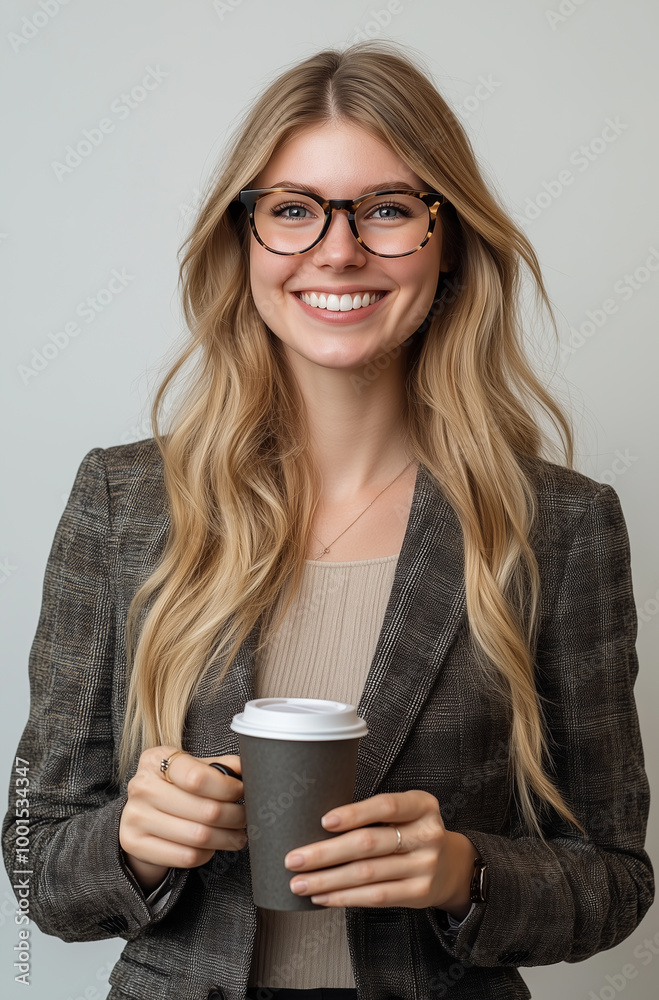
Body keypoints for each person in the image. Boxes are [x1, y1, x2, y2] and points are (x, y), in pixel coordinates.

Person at [2, 41, 654, 1000]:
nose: (337, 249)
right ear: (244, 240)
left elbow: (614, 876)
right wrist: (131, 845)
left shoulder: (559, 525)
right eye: (293, 211)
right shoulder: (123, 503)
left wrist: (465, 873)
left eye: (387, 209)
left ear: (450, 239)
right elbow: (34, 855)